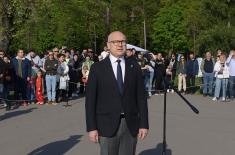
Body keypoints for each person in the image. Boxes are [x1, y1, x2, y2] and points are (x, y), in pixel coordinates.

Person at [85, 31, 149, 155]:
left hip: (130, 124)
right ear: (108, 45)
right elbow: (90, 101)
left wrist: (144, 124)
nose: (120, 45)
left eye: (123, 42)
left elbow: (141, 98)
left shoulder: (134, 66)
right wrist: (92, 128)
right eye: (116, 42)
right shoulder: (97, 68)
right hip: (105, 125)